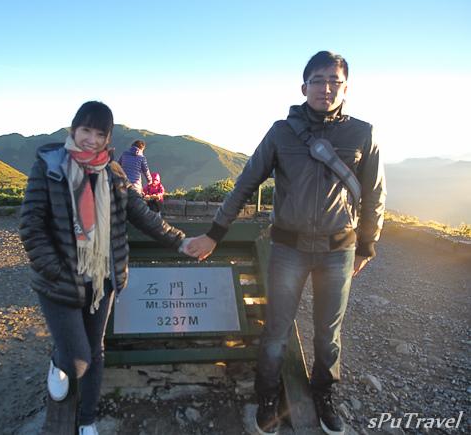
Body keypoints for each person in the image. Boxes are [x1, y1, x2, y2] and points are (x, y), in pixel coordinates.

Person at [186, 51, 386, 435]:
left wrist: (367, 245)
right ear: (303, 86)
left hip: (338, 250)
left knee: (329, 333)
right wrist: (215, 232)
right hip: (288, 248)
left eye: (334, 81)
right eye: (318, 80)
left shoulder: (363, 133)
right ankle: (267, 394)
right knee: (277, 328)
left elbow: (374, 194)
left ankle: (323, 393)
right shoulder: (282, 132)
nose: (326, 88)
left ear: (346, 87)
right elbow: (245, 183)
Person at [19, 101, 192, 435]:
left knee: (95, 352)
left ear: (108, 138)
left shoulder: (113, 172)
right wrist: (54, 268)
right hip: (60, 281)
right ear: (73, 129)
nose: (91, 139)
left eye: (100, 133)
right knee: (78, 358)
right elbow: (30, 225)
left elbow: (141, 213)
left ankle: (87, 420)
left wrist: (180, 241)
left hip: (102, 280)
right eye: (85, 130)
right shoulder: (49, 165)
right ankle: (60, 361)